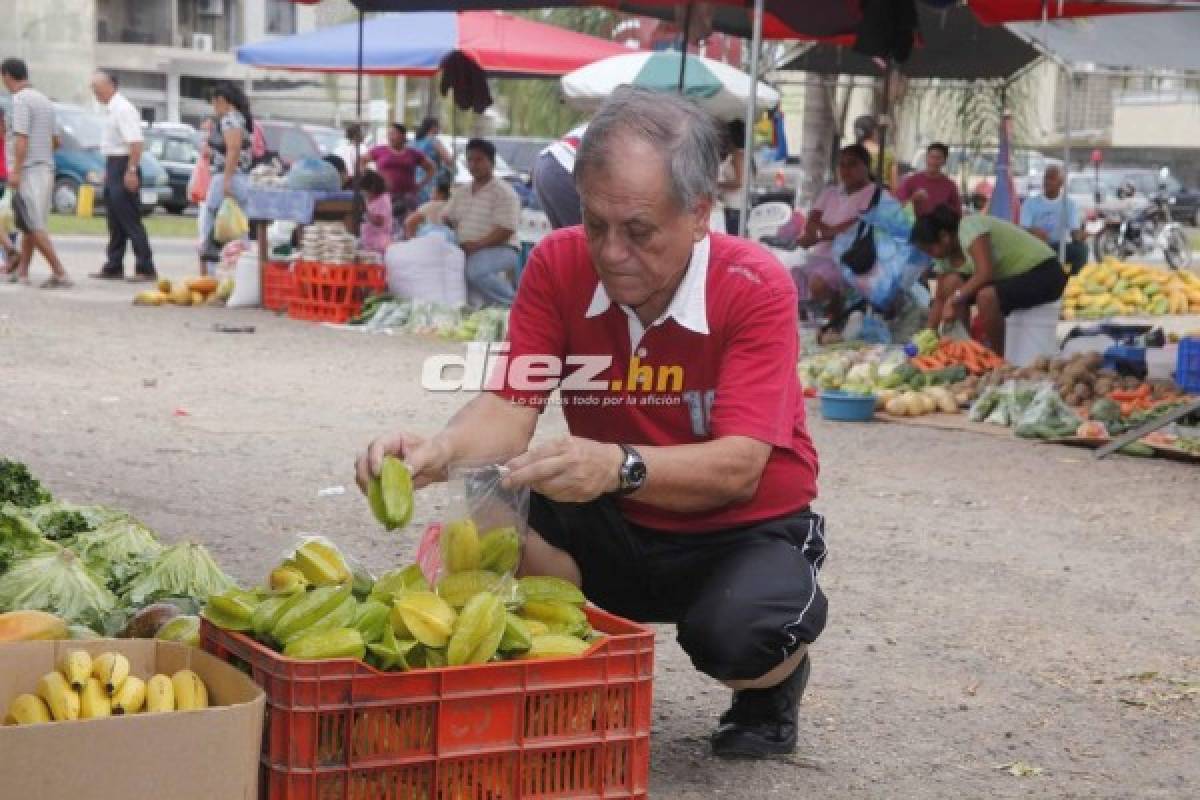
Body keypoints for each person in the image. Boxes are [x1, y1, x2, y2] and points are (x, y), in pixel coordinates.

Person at [356, 87, 826, 761]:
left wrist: (618, 465)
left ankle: (770, 688)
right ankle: (571, 667)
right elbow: (511, 408)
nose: (610, 250)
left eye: (637, 230)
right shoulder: (557, 263)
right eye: (594, 222)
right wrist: (440, 447)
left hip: (738, 529)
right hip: (613, 515)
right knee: (489, 497)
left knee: (738, 637)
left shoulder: (754, 285)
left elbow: (740, 467)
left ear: (698, 214)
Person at [911, 204, 1067, 355]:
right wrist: (927, 335)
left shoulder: (969, 227)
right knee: (951, 283)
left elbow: (985, 273)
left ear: (944, 237)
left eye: (930, 249)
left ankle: (998, 360)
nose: (930, 255)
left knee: (986, 297)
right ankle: (964, 350)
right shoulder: (943, 257)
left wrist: (953, 300)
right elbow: (939, 299)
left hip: (1045, 272)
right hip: (1012, 279)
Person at [1, 58, 71, 288]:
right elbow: (57, 140)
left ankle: (59, 272)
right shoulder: (44, 101)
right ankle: (22, 273)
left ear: (7, 76)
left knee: (33, 224)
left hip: (29, 170)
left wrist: (17, 171)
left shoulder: (20, 100)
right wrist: (42, 154)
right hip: (46, 168)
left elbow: (21, 138)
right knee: (29, 223)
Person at [89, 71, 157, 282]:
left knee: (129, 220)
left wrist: (131, 170)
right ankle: (114, 264)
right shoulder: (111, 110)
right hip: (114, 164)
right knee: (114, 220)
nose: (95, 92)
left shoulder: (123, 109)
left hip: (125, 164)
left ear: (110, 85)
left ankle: (145, 267)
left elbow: (135, 143)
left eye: (96, 87)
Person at [793, 144, 877, 308]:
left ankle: (831, 318)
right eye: (842, 165)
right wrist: (826, 231)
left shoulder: (874, 195)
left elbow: (850, 228)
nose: (846, 170)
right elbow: (812, 222)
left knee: (818, 284)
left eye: (852, 164)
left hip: (850, 261)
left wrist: (821, 232)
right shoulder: (831, 192)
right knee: (789, 280)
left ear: (866, 166)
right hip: (819, 256)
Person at [443, 138, 520, 307]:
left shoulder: (504, 192)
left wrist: (477, 245)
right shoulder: (461, 191)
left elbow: (506, 230)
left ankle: (516, 305)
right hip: (467, 248)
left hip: (502, 248)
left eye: (479, 160)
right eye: (470, 160)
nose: (473, 165)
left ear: (491, 162)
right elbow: (448, 218)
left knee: (476, 272)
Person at [200, 83, 255, 274]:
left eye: (214, 102)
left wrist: (226, 180)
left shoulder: (229, 120)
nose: (214, 107)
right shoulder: (241, 118)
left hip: (227, 176)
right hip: (242, 178)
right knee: (239, 227)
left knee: (213, 227)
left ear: (222, 100)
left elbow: (233, 149)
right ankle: (241, 273)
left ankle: (213, 273)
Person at [1020, 165, 1087, 275]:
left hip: (1058, 247)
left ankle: (1072, 281)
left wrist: (1079, 235)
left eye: (1052, 179)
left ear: (1061, 183)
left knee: (1082, 249)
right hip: (1036, 247)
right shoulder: (1030, 203)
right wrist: (1033, 231)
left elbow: (1074, 230)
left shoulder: (1069, 204)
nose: (1047, 182)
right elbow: (1023, 229)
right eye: (1046, 178)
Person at [365, 123, 435, 222]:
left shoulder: (413, 153)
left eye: (393, 133)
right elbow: (362, 161)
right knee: (386, 224)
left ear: (403, 136)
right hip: (385, 196)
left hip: (408, 196)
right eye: (389, 134)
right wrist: (370, 179)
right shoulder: (379, 150)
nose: (390, 136)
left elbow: (431, 168)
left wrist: (420, 185)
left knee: (407, 225)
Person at [532, 122, 587, 230]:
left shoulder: (617, 117)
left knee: (565, 237)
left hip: (545, 163)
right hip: (564, 166)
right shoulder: (626, 124)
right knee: (583, 236)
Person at [895, 142, 961, 217]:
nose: (934, 161)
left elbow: (957, 214)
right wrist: (913, 199)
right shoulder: (911, 181)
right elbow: (896, 207)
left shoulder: (950, 186)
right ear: (926, 158)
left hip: (939, 227)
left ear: (944, 161)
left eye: (938, 158)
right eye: (931, 157)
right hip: (914, 226)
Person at [411, 117, 452, 205]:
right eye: (438, 126)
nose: (439, 129)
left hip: (415, 180)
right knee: (430, 209)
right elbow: (448, 159)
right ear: (433, 127)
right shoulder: (434, 141)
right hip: (430, 180)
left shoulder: (413, 142)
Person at [717, 119, 747, 236]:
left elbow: (739, 182)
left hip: (735, 208)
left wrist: (718, 184)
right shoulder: (742, 154)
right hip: (734, 206)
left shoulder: (738, 156)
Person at [0, 108, 21, 271]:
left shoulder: (5, 135)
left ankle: (9, 251)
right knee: (7, 220)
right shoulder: (7, 134)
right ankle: (9, 252)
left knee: (6, 219)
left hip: (3, 177)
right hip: (5, 177)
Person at [853, 114, 896, 190]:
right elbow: (894, 186)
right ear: (874, 132)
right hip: (880, 198)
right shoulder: (888, 155)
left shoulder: (850, 153)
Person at [357, 170, 392, 256]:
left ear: (372, 189)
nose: (365, 194)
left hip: (379, 243)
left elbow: (380, 222)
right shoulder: (371, 199)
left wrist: (366, 212)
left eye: (366, 191)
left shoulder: (382, 200)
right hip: (368, 240)